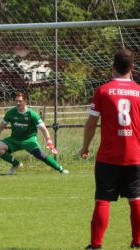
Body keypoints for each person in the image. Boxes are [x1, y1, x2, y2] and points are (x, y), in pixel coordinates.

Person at [79, 49, 140, 249]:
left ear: (112, 67)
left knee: (103, 199)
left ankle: (96, 244)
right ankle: (137, 241)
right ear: (132, 67)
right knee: (136, 198)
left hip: (108, 156)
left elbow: (91, 124)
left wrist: (85, 147)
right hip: (135, 156)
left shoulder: (103, 91)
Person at [0, 92, 68, 175]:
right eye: (16, 101)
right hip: (14, 139)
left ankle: (61, 169)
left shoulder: (32, 114)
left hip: (29, 140)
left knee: (41, 155)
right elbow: (0, 127)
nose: (17, 103)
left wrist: (49, 142)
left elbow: (44, 129)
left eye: (20, 101)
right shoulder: (11, 112)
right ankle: (16, 164)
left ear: (25, 101)